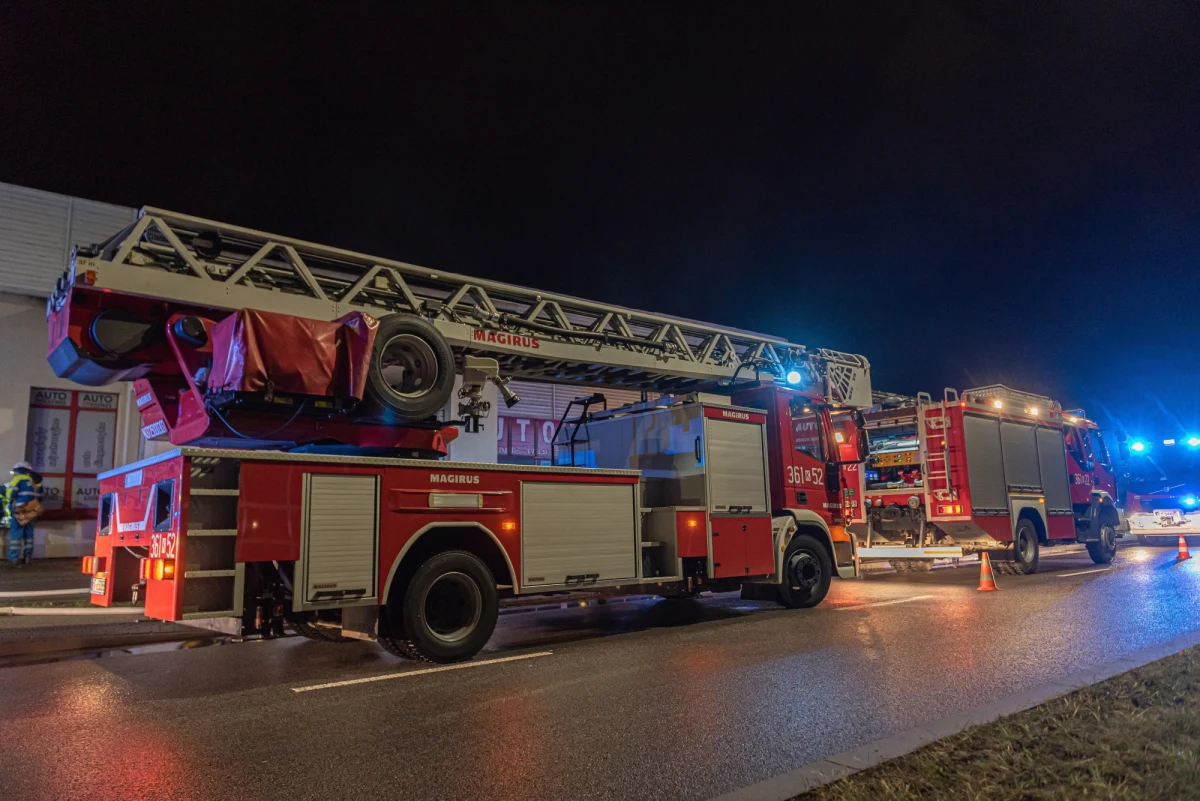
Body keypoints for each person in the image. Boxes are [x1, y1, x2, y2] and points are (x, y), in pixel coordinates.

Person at [7, 461, 43, 565]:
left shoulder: (18, 478)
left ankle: (13, 559)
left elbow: (10, 494)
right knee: (29, 534)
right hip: (32, 509)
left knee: (16, 534)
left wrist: (10, 503)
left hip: (20, 509)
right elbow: (40, 496)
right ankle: (27, 556)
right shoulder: (34, 480)